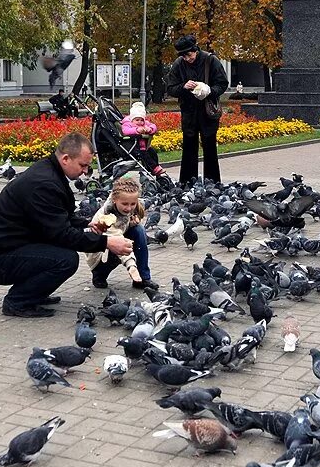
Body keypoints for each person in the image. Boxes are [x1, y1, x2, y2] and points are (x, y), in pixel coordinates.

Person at [0, 132, 133, 318]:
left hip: (11, 246)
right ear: (66, 159)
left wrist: (87, 224)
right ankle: (17, 302)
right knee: (65, 260)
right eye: (82, 165)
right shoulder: (44, 183)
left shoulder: (50, 171)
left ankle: (34, 293)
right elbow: (61, 234)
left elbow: (58, 216)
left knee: (60, 253)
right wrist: (106, 243)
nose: (85, 171)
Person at [165, 34, 228, 184]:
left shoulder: (210, 60)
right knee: (188, 147)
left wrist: (209, 91)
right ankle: (187, 182)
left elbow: (222, 83)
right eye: (183, 56)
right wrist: (184, 86)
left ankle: (212, 183)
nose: (187, 59)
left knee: (210, 147)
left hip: (207, 111)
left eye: (189, 55)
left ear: (195, 50)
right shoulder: (179, 64)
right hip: (189, 111)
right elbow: (171, 88)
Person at [87, 176, 158, 291]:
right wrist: (131, 266)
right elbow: (118, 240)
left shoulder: (125, 205)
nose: (129, 208)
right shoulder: (107, 217)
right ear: (114, 200)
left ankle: (143, 278)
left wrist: (131, 224)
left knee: (139, 230)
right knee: (115, 254)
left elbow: (122, 227)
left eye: (133, 204)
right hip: (100, 252)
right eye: (125, 204)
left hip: (115, 239)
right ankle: (99, 273)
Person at [121, 102, 167, 180]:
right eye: (137, 120)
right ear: (132, 119)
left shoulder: (145, 124)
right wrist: (136, 130)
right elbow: (126, 131)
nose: (140, 122)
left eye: (142, 120)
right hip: (134, 147)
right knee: (145, 155)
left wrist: (150, 129)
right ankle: (154, 168)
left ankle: (156, 167)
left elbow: (154, 126)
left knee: (152, 152)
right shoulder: (127, 124)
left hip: (144, 147)